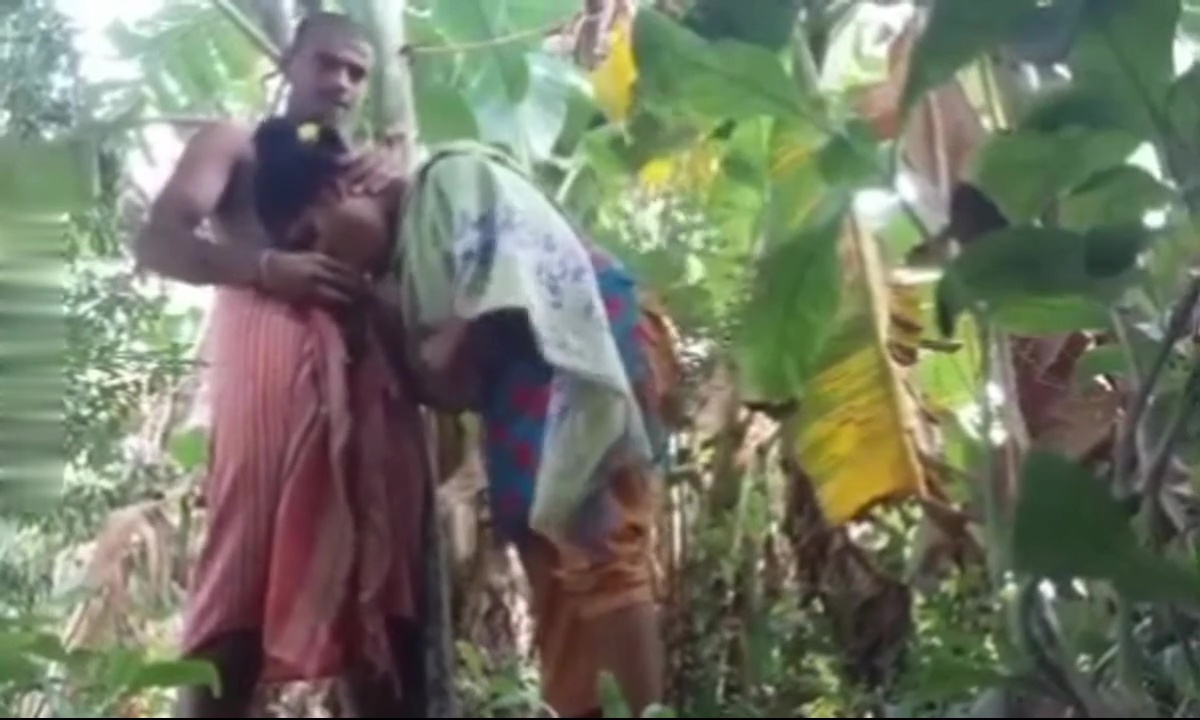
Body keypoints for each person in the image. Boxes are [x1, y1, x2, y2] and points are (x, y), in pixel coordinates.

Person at [134, 12, 428, 717]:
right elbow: (158, 241)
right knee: (240, 582)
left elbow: (416, 293)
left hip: (368, 387)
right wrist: (268, 268)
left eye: (357, 72)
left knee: (379, 597)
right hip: (264, 373)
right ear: (289, 63)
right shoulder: (232, 143)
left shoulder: (377, 173)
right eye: (327, 63)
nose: (342, 82)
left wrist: (398, 190)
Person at [395, 143, 672, 718]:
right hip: (517, 383)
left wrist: (438, 341)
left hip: (581, 336)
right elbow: (451, 390)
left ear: (347, 189)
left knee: (598, 545)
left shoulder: (446, 179)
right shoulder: (397, 263)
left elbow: (501, 273)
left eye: (317, 229)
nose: (323, 249)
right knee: (549, 560)